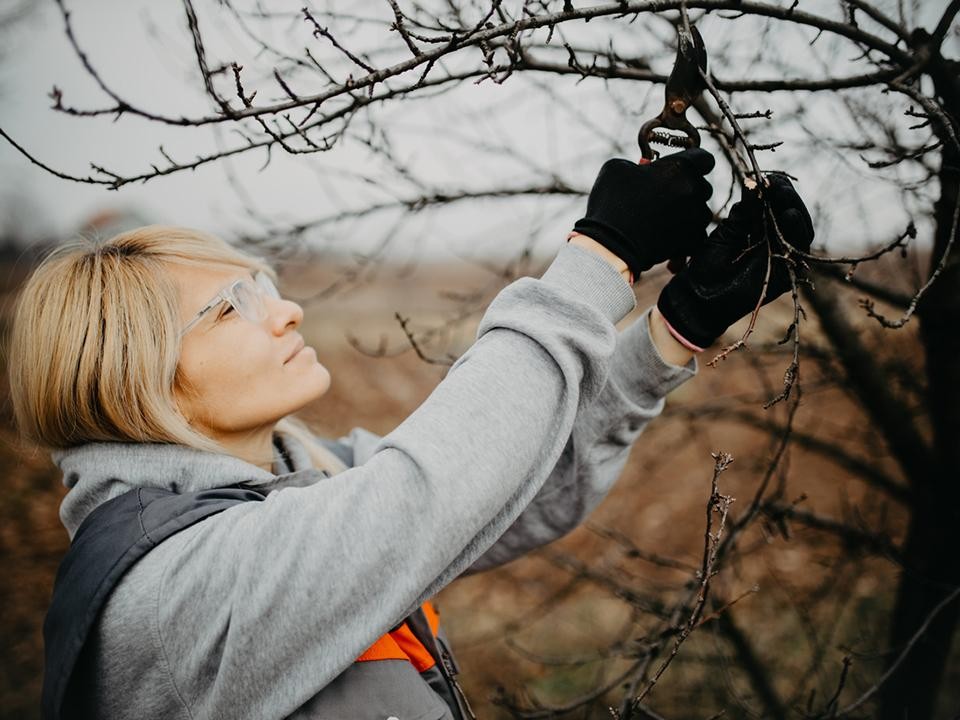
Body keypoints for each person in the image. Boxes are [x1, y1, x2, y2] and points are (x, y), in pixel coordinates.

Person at [8, 148, 812, 720]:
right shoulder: (163, 591)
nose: (284, 309)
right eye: (230, 309)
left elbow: (508, 486)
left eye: (262, 286)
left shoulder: (306, 480)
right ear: (133, 377)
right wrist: (599, 259)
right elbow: (431, 490)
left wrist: (673, 329)